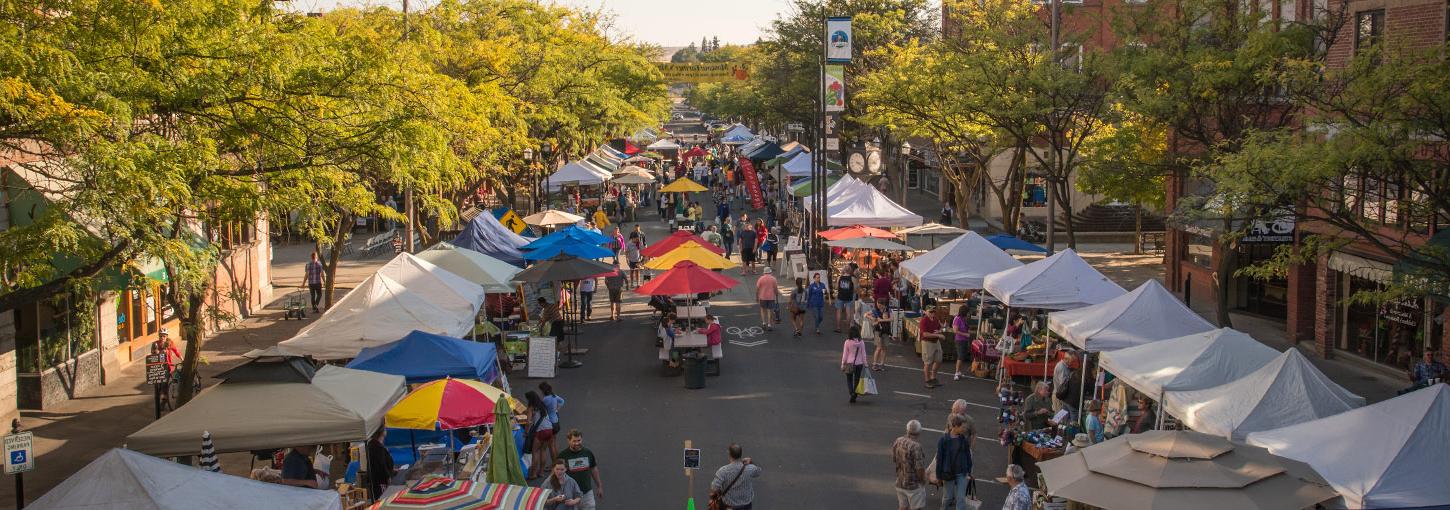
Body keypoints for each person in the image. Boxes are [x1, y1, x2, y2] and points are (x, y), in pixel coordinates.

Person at [934, 414, 973, 510]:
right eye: (962, 427)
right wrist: (938, 476)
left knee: (961, 498)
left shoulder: (963, 439)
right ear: (955, 426)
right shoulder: (943, 440)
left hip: (962, 473)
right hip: (948, 473)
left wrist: (970, 470)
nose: (964, 429)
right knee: (948, 498)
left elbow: (968, 455)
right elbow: (939, 459)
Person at [557, 430, 602, 509]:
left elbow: (593, 469)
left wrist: (599, 486)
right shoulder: (562, 455)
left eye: (579, 440)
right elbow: (556, 474)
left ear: (582, 439)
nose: (577, 443)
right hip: (570, 494)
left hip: (587, 492)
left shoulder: (587, 453)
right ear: (568, 440)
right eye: (574, 441)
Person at [710, 444, 761, 510]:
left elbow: (714, 488)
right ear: (741, 454)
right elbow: (758, 472)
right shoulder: (750, 468)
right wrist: (751, 461)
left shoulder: (723, 471)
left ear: (729, 454)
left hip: (729, 506)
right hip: (746, 506)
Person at [893, 420, 928, 510]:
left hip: (900, 481)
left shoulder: (898, 440)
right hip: (913, 485)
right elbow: (919, 468)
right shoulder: (916, 446)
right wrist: (923, 480)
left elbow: (894, 459)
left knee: (902, 507)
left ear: (907, 430)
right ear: (919, 432)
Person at [525, 391, 555, 480]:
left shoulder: (531, 407)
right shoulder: (542, 405)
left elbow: (528, 422)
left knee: (535, 452)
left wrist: (526, 432)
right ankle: (541, 472)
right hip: (549, 429)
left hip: (540, 431)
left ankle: (533, 474)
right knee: (543, 450)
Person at [841, 325, 869, 403]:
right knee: (857, 379)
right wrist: (866, 364)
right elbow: (864, 354)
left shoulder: (847, 342)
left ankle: (851, 392)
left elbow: (845, 354)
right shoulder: (861, 342)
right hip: (859, 363)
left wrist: (843, 364)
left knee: (849, 379)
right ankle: (855, 394)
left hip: (850, 363)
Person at [919, 308, 945, 389]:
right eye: (930, 311)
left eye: (934, 311)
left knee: (939, 359)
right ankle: (927, 381)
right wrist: (938, 335)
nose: (933, 313)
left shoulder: (936, 319)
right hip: (927, 343)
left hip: (935, 342)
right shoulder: (924, 321)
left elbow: (941, 328)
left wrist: (940, 331)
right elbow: (925, 334)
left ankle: (933, 377)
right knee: (927, 362)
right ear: (926, 312)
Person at [365, 428, 394, 499]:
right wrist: (387, 477)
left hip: (377, 479)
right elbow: (381, 465)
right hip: (380, 481)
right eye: (385, 429)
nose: (386, 430)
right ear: (381, 432)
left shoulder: (374, 444)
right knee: (382, 499)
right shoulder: (377, 446)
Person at [540, 382, 566, 449]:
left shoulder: (545, 399)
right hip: (556, 422)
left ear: (543, 390)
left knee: (546, 447)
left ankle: (554, 459)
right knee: (554, 442)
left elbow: (542, 410)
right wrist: (557, 409)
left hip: (550, 423)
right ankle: (556, 458)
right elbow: (562, 401)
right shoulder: (554, 396)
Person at [951, 306, 974, 381]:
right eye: (968, 312)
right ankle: (956, 373)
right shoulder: (957, 319)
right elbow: (955, 331)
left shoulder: (963, 319)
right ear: (965, 312)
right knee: (960, 357)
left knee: (962, 356)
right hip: (959, 340)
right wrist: (966, 334)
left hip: (964, 340)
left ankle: (959, 371)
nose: (969, 314)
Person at [868, 300, 891, 371]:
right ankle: (874, 364)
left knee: (884, 348)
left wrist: (881, 320)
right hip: (878, 331)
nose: (878, 306)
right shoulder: (875, 310)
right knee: (879, 347)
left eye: (879, 305)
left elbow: (892, 318)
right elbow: (866, 314)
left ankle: (882, 364)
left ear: (883, 304)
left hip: (886, 331)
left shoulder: (888, 310)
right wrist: (873, 318)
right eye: (877, 304)